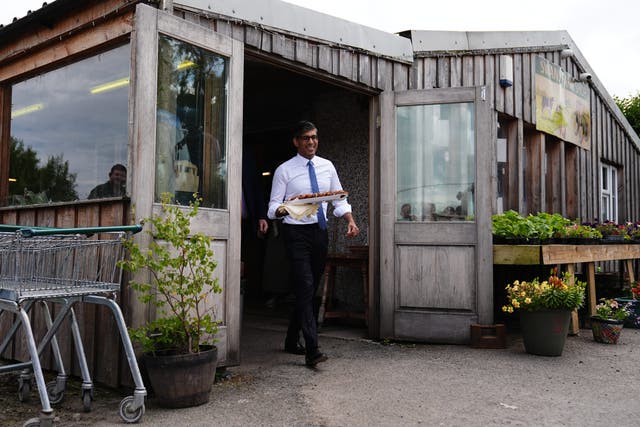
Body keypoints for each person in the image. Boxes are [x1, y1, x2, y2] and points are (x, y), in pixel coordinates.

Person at [268, 120, 359, 368]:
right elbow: (272, 208)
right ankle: (313, 350)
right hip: (295, 233)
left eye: (315, 137)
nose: (311, 142)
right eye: (306, 138)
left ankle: (290, 340)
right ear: (296, 141)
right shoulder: (284, 170)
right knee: (306, 286)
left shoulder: (327, 166)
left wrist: (350, 219)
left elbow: (338, 199)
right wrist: (288, 207)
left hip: (319, 232)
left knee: (308, 288)